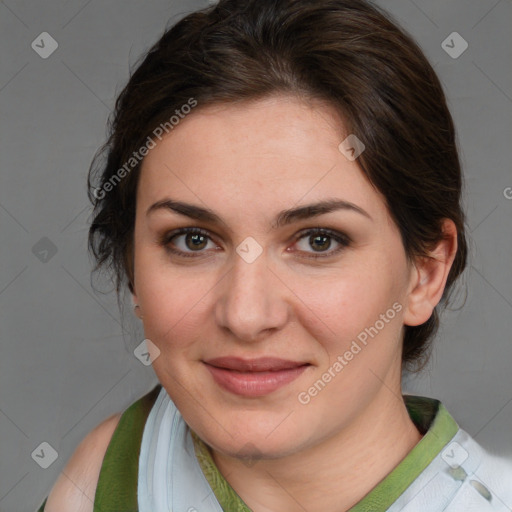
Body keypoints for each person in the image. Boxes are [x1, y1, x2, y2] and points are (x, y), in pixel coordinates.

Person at [37, 0, 512, 511]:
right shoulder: (105, 478)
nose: (245, 315)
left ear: (426, 273)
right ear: (132, 264)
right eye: (193, 240)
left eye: (318, 241)